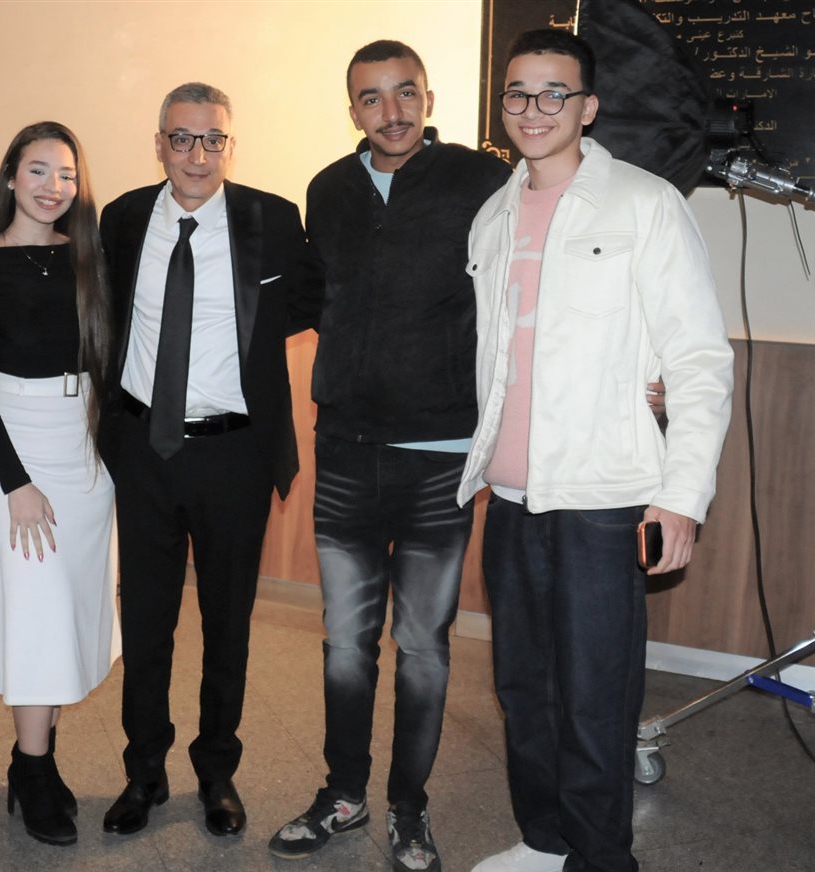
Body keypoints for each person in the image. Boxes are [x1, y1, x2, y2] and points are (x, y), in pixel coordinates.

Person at [461, 30, 732, 872]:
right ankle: (546, 842)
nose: (533, 109)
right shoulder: (494, 214)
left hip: (604, 501)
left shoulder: (645, 204)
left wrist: (681, 497)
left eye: (555, 93)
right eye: (518, 92)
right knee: (523, 692)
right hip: (510, 499)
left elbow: (698, 359)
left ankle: (603, 859)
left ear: (588, 108)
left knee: (594, 700)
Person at [268, 41, 510, 872]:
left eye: (405, 93)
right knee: (344, 642)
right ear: (353, 111)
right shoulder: (328, 190)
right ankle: (344, 794)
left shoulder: (481, 180)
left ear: (428, 98)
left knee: (424, 646)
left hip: (440, 454)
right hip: (344, 449)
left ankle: (410, 808)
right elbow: (310, 296)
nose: (391, 111)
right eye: (372, 98)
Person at [99, 82, 318, 838]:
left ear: (231, 144)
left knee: (228, 623)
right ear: (159, 145)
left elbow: (311, 301)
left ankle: (217, 771)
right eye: (182, 138)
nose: (198, 154)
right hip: (143, 451)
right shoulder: (124, 218)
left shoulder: (273, 220)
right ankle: (143, 771)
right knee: (147, 622)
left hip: (235, 455)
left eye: (213, 139)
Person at [0, 121, 119, 848]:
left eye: (67, 174)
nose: (54, 186)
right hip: (9, 449)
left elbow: (109, 364)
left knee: (66, 609)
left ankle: (33, 761)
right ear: (11, 177)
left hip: (81, 450)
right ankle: (35, 767)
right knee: (35, 609)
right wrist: (15, 482)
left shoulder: (88, 258)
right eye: (39, 170)